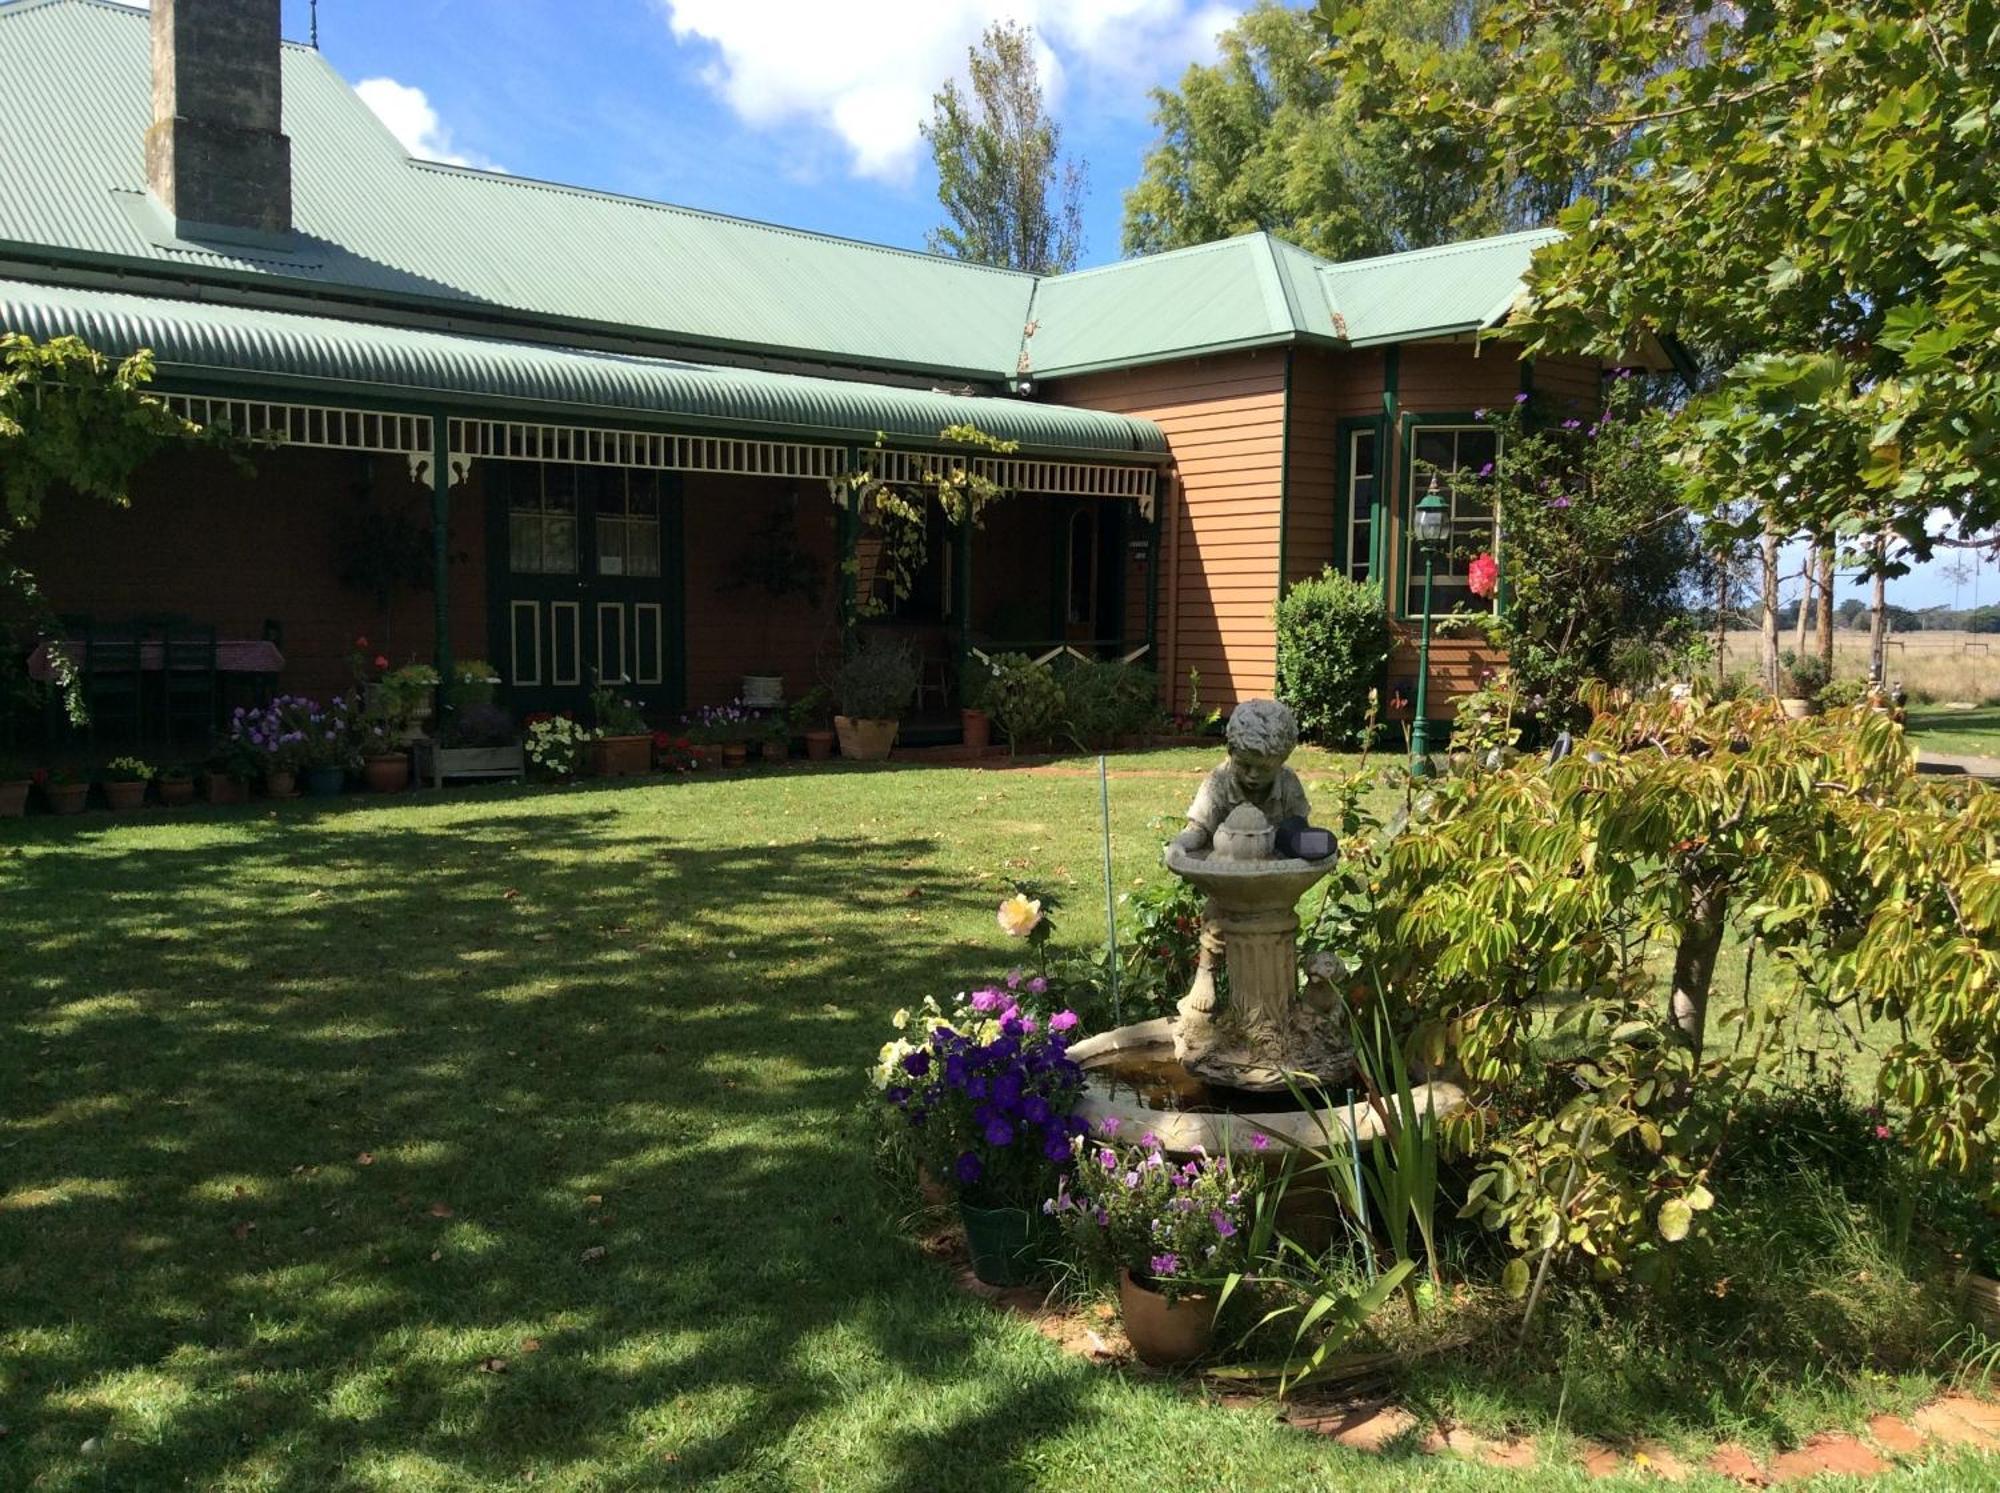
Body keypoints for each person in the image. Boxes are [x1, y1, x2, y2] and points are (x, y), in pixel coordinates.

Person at [1173, 699, 1311, 853]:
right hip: (1226, 867)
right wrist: (1180, 845)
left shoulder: (1287, 783)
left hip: (1273, 867)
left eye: (1265, 768)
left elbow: (1300, 830)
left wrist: (1318, 847)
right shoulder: (1219, 782)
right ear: (1231, 753)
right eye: (1244, 765)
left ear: (1282, 761)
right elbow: (1198, 829)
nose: (1253, 775)